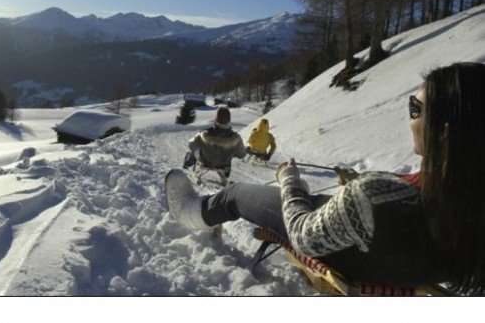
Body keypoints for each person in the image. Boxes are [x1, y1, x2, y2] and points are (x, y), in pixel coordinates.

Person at [166, 62, 485, 295]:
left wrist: (290, 180)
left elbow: (304, 235)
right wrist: (363, 186)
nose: (411, 118)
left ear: (444, 132)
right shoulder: (468, 208)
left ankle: (191, 211)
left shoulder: (375, 198)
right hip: (363, 239)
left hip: (320, 227)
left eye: (416, 109)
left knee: (234, 194)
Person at [183, 106, 246, 186]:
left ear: (216, 118)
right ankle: (224, 177)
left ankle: (186, 168)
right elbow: (242, 154)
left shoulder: (205, 133)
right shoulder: (236, 138)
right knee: (226, 156)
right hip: (224, 165)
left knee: (194, 152)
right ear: (229, 119)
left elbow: (191, 145)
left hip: (206, 162)